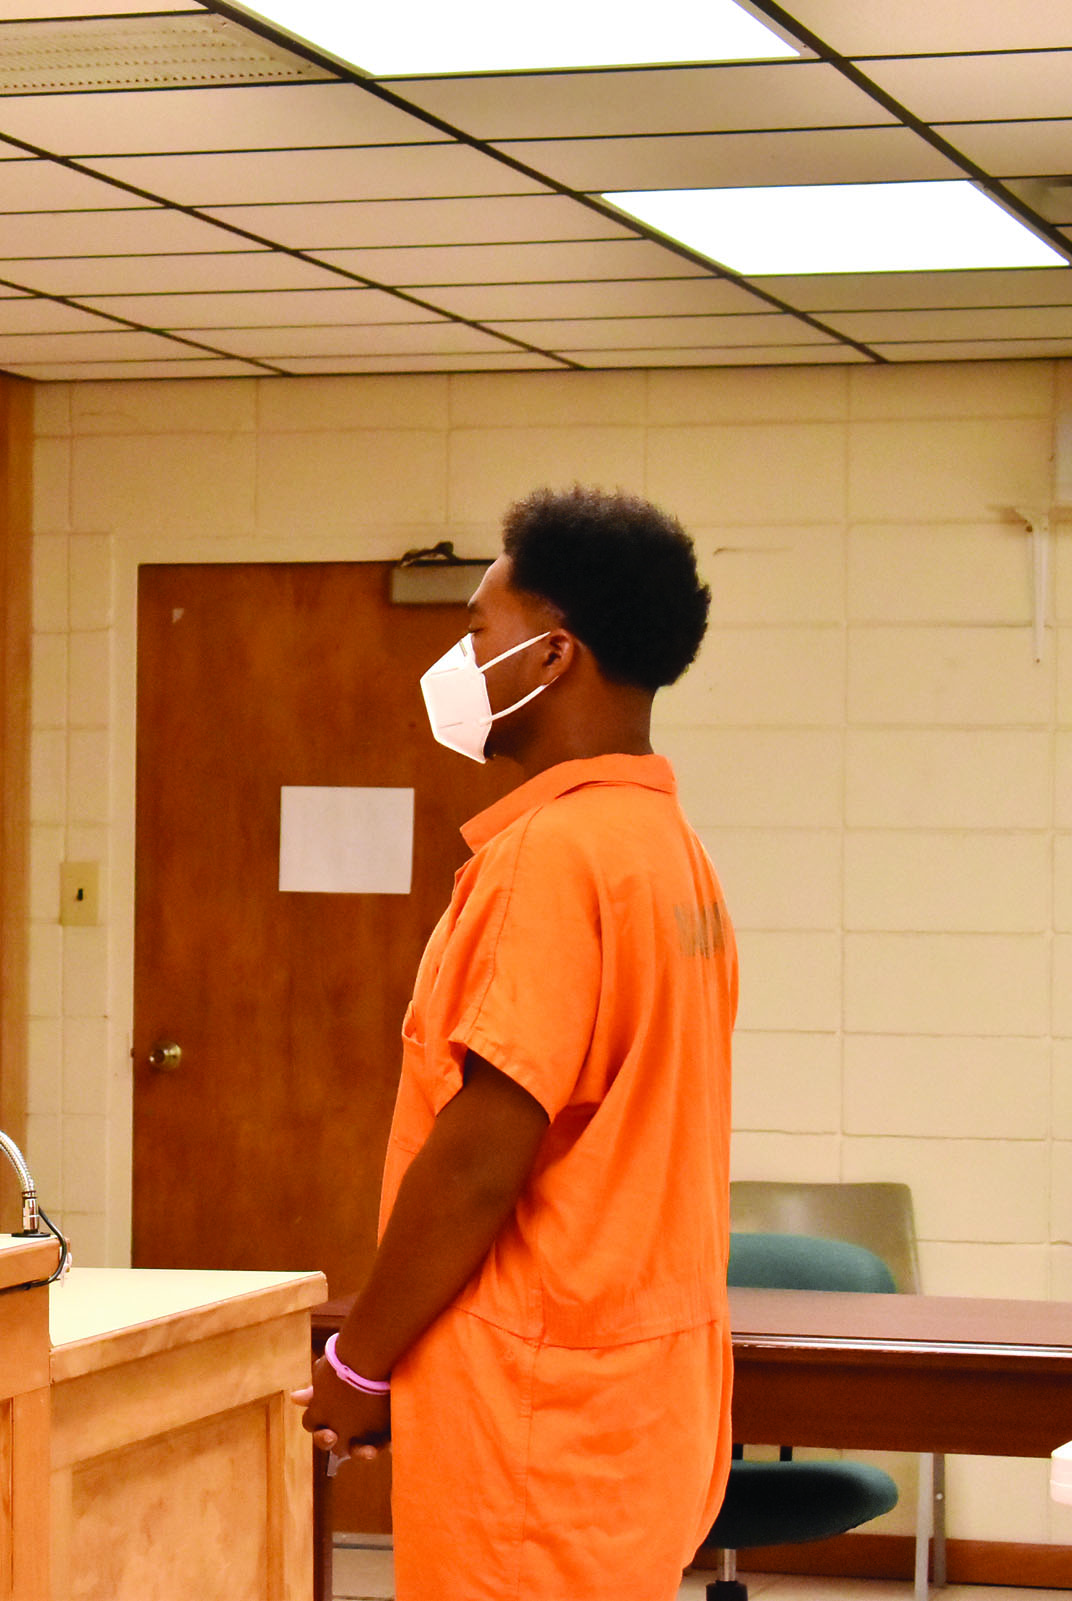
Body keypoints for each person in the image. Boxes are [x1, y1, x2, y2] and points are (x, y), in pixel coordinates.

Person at [295, 487, 736, 1599]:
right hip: (639, 1402)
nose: (462, 660)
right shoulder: (673, 854)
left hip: (537, 1407)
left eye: (479, 630)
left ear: (552, 655)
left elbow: (482, 1155)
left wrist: (359, 1362)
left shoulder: (552, 855)